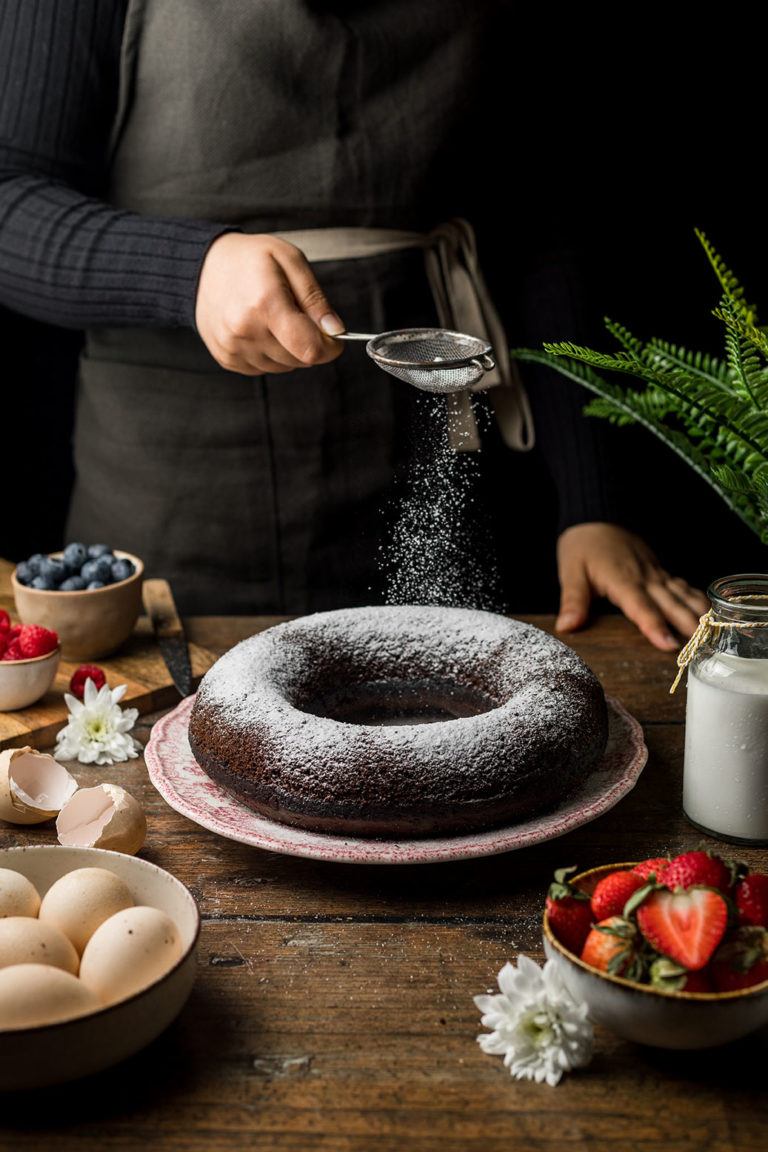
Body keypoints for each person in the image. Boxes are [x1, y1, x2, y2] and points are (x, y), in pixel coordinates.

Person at [0, 0, 708, 646]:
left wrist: (592, 506)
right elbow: (9, 204)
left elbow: (540, 219)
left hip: (437, 473)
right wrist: (188, 272)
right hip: (180, 505)